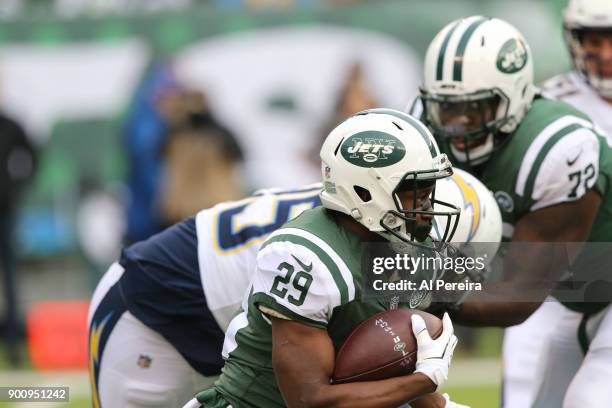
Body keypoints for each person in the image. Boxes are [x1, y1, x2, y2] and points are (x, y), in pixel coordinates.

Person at [88, 166, 500, 406]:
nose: (449, 283)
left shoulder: (370, 220)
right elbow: (320, 396)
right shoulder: (342, 253)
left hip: (242, 323)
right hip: (154, 308)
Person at [184, 108, 468, 408]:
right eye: (416, 193)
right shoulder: (306, 257)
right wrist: (421, 380)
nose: (426, 207)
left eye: (429, 191)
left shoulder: (405, 246)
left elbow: (393, 362)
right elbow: (309, 400)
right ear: (366, 191)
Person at [413, 14, 612, 407]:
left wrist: (413, 293)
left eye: (476, 108)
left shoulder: (559, 147)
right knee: (523, 398)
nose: (457, 125)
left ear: (516, 96)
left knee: (590, 400)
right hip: (562, 287)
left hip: (569, 280)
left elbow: (518, 295)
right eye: (447, 109)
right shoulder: (421, 129)